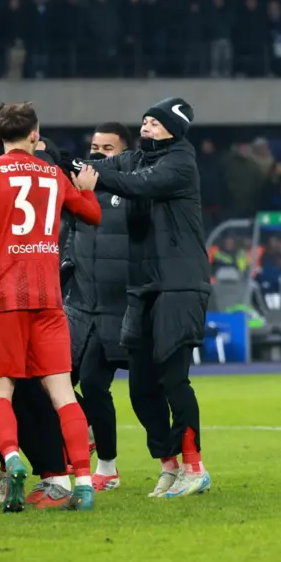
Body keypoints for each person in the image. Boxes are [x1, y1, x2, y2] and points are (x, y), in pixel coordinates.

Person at [0, 102, 104, 512]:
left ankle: (11, 458)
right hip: (47, 299)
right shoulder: (52, 172)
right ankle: (82, 481)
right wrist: (85, 190)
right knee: (63, 393)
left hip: (4, 298)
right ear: (35, 134)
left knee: (0, 390)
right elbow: (93, 215)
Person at [90, 97, 212, 498]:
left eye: (155, 123)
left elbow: (137, 185)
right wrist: (44, 156)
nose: (147, 126)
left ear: (173, 130)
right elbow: (99, 168)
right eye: (144, 120)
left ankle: (196, 467)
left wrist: (96, 177)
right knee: (140, 387)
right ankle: (170, 466)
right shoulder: (135, 160)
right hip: (143, 285)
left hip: (180, 283)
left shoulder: (180, 162)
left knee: (173, 379)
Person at [62, 122, 135, 493]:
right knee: (53, 385)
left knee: (93, 384)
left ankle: (107, 466)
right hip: (77, 305)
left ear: (124, 154)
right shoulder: (76, 191)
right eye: (94, 147)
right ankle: (85, 434)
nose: (97, 155)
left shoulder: (135, 191)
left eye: (107, 149)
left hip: (115, 308)